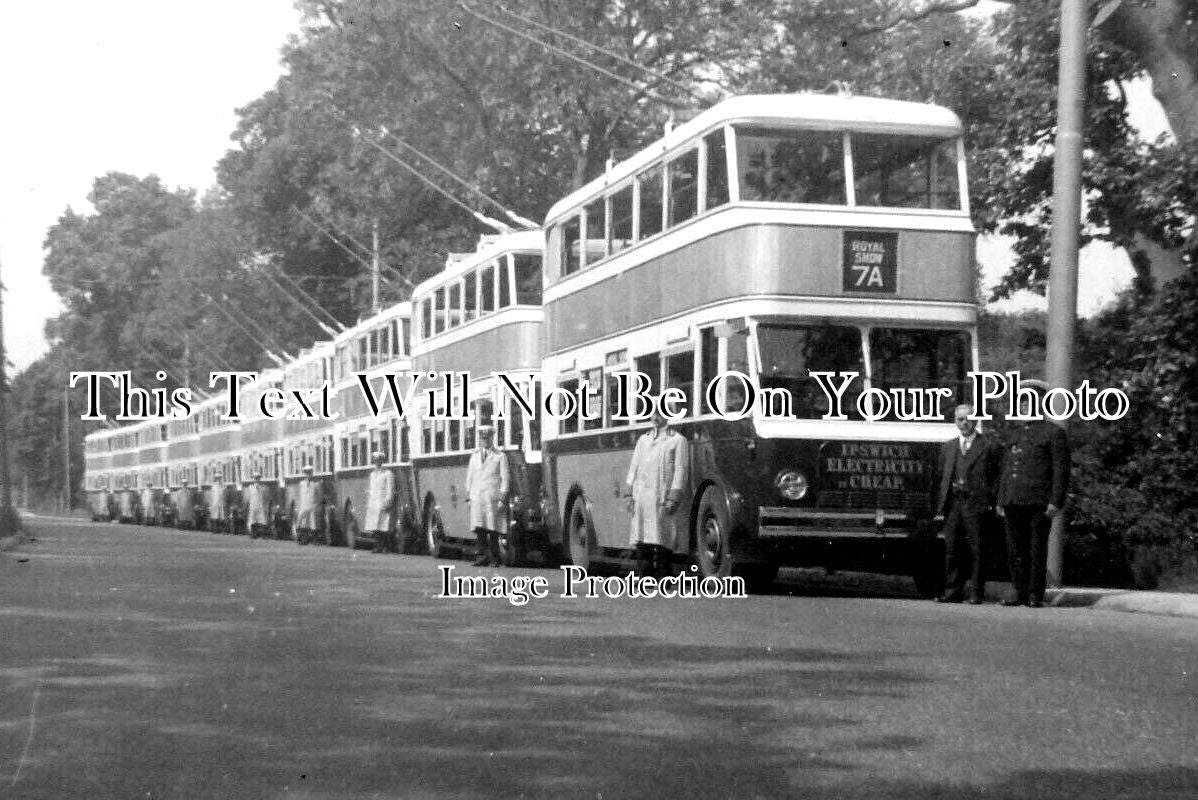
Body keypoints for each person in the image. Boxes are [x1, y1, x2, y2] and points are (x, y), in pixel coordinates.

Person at [996, 381, 1071, 608]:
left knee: (1036, 549)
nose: (1027, 406)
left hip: (1039, 501)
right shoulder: (1013, 433)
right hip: (1012, 499)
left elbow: (1061, 470)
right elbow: (1006, 469)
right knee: (1015, 549)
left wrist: (1055, 501)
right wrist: (1001, 499)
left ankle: (1034, 594)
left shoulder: (1053, 432)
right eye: (1023, 402)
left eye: (1031, 401)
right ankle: (1018, 591)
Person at [935, 404, 1003, 604]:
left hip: (977, 505)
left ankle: (976, 593)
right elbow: (940, 476)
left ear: (975, 420)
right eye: (960, 419)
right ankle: (952, 592)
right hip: (954, 505)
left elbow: (998, 478)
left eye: (968, 419)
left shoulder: (989, 446)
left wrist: (991, 500)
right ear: (955, 421)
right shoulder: (948, 447)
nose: (964, 423)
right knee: (952, 549)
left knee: (977, 550)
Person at [623, 408, 690, 578]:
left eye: (660, 414)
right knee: (642, 539)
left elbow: (681, 471)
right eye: (654, 414)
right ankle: (644, 576)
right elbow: (633, 468)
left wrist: (673, 497)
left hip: (662, 497)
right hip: (642, 498)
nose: (656, 417)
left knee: (663, 539)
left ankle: (664, 576)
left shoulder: (677, 440)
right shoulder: (643, 440)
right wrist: (628, 494)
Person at [466, 425, 510, 567]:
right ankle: (482, 556)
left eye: (488, 438)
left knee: (493, 529)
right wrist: (469, 495)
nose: (485, 441)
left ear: (492, 438)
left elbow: (505, 478)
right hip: (477, 497)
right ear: (480, 439)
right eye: (483, 438)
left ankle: (495, 558)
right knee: (480, 528)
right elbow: (470, 477)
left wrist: (503, 496)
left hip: (492, 497)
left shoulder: (500, 456)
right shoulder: (474, 456)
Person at [364, 451, 396, 553]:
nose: (377, 463)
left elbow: (390, 489)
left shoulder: (388, 473)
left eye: (379, 461)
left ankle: (385, 547)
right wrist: (369, 502)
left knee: (384, 527)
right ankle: (377, 546)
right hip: (374, 503)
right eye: (376, 461)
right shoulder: (372, 474)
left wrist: (388, 501)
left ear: (382, 461)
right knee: (375, 527)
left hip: (383, 502)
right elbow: (371, 489)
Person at [296, 464, 323, 545]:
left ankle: (314, 540)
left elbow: (319, 496)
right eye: (306, 473)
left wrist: (318, 505)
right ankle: (302, 539)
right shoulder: (301, 484)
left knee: (313, 523)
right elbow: (300, 495)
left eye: (309, 473)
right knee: (301, 522)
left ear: (312, 473)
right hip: (303, 506)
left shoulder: (316, 484)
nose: (308, 475)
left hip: (313, 506)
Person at [246, 471, 270, 540]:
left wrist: (265, 505)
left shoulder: (262, 487)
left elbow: (265, 497)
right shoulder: (250, 487)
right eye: (255, 478)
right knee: (252, 520)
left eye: (258, 478)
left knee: (262, 520)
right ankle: (253, 534)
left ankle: (263, 535)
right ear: (253, 479)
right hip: (253, 506)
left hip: (260, 506)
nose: (256, 479)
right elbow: (248, 497)